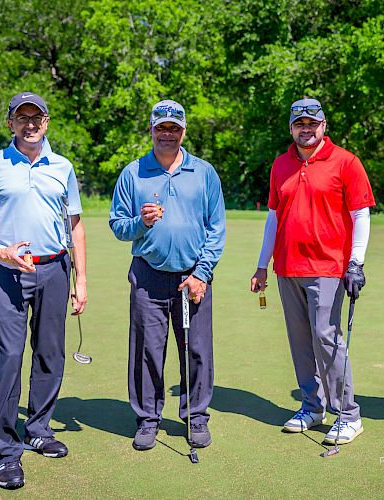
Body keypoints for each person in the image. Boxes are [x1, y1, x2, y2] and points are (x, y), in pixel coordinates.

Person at [251, 98, 375, 444]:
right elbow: (273, 216)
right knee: (300, 340)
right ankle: (312, 406)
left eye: (312, 123)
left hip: (328, 266)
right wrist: (263, 264)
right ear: (291, 128)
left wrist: (356, 262)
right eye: (299, 124)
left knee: (326, 336)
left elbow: (360, 214)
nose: (306, 129)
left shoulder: (346, 162)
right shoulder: (281, 165)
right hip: (287, 266)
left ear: (324, 126)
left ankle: (348, 413)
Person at [109, 99, 226, 452]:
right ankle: (148, 419)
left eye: (174, 128)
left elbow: (216, 228)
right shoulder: (133, 172)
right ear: (151, 129)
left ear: (183, 131)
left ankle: (196, 415)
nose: (167, 134)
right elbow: (118, 225)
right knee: (146, 350)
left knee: (197, 350)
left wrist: (202, 273)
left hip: (193, 277)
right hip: (148, 276)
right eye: (161, 127)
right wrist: (140, 223)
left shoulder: (204, 172)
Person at [0, 92, 87, 490]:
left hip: (55, 268)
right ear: (11, 123)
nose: (30, 124)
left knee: (50, 352)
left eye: (37, 117)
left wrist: (80, 278)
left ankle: (37, 429)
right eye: (22, 117)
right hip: (6, 273)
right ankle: (4, 449)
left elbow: (76, 224)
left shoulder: (62, 167)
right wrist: (0, 251)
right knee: (10, 355)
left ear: (46, 122)